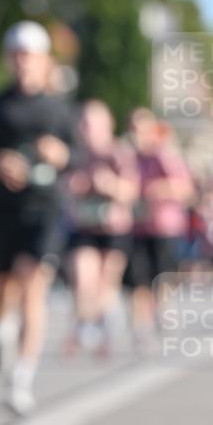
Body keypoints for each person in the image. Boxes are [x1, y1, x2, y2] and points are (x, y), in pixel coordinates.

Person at [0, 21, 74, 414]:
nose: (23, 62)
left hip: (44, 209)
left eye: (30, 56)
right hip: (4, 209)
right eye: (17, 55)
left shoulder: (59, 109)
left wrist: (60, 154)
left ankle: (22, 377)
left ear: (44, 61)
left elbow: (77, 155)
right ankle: (2, 330)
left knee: (33, 287)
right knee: (5, 290)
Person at [63, 99, 139, 357]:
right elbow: (64, 187)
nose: (85, 130)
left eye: (91, 124)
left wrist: (109, 185)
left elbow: (132, 191)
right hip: (84, 226)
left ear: (107, 125)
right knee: (83, 277)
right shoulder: (76, 155)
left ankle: (105, 326)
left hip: (113, 228)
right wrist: (77, 186)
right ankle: (86, 324)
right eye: (82, 123)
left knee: (106, 284)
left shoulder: (119, 153)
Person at [127, 109, 195, 349]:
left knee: (162, 276)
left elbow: (185, 189)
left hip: (164, 227)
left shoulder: (164, 155)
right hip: (137, 227)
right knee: (139, 279)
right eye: (134, 130)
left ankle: (163, 312)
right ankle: (141, 326)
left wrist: (158, 189)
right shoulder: (130, 157)